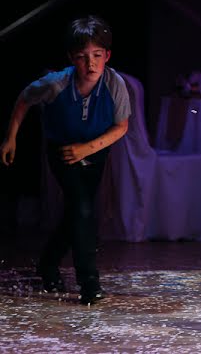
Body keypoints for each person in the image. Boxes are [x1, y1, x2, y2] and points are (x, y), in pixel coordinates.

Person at [0, 16, 130, 305]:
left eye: (97, 56)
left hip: (95, 152)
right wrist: (11, 137)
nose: (91, 64)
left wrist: (88, 149)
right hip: (62, 152)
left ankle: (47, 264)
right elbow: (24, 99)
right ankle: (89, 283)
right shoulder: (56, 84)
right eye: (83, 58)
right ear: (72, 58)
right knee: (83, 210)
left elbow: (121, 127)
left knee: (76, 213)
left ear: (107, 55)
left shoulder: (114, 83)